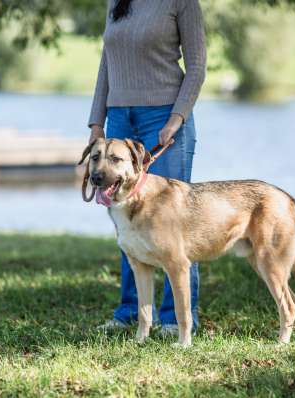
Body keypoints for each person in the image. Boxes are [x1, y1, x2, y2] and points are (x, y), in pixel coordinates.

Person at [87, 0, 207, 335]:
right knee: (127, 222)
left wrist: (177, 118)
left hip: (164, 118)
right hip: (119, 120)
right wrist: (97, 121)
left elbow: (197, 67)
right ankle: (130, 313)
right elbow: (107, 63)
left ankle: (176, 319)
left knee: (173, 226)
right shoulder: (117, 1)